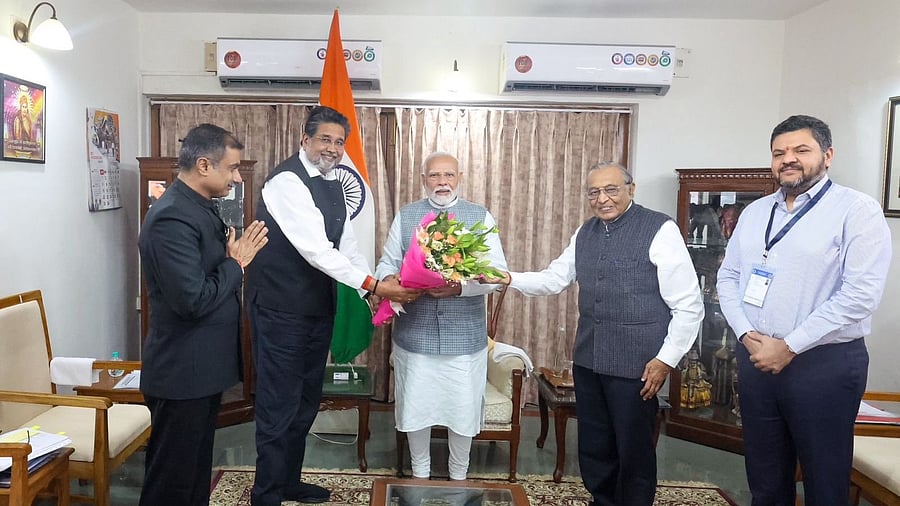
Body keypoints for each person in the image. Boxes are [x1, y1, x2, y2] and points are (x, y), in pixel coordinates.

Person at [483, 162, 704, 506]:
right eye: (594, 192)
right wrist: (508, 277)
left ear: (631, 189)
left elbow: (689, 304)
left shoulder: (659, 229)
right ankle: (602, 500)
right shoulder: (584, 232)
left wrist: (666, 360)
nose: (602, 198)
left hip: (639, 365)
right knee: (595, 445)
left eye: (611, 189)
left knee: (633, 449)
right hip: (589, 360)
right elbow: (554, 278)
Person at [246, 106, 420, 506]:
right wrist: (376, 285)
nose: (333, 148)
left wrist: (371, 290)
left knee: (306, 403)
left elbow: (347, 247)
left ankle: (288, 481)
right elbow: (315, 250)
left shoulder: (332, 184)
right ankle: (266, 494)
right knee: (278, 406)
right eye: (325, 139)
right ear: (304, 139)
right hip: (279, 311)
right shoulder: (286, 181)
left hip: (315, 311)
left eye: (339, 142)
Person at [716, 115, 892, 505]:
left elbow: (860, 296)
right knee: (765, 477)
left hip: (823, 365)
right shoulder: (757, 212)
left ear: (827, 155)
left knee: (824, 481)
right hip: (757, 359)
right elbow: (727, 279)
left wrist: (790, 345)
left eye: (800, 150)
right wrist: (747, 336)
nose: (788, 159)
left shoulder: (857, 211)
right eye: (779, 153)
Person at [137, 123, 269, 506]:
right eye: (231, 168)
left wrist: (230, 262)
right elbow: (192, 300)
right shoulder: (171, 218)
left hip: (201, 370)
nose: (236, 176)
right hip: (182, 372)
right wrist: (237, 264)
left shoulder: (198, 207)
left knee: (193, 475)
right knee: (171, 482)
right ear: (204, 165)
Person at [374, 152, 508, 480]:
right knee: (416, 409)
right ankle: (420, 474)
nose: (442, 182)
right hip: (414, 337)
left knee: (461, 411)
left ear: (460, 177)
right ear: (424, 180)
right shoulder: (407, 216)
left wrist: (459, 289)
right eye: (435, 176)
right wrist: (391, 283)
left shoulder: (480, 216)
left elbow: (497, 273)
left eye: (448, 175)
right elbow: (386, 263)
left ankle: (459, 476)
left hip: (464, 340)